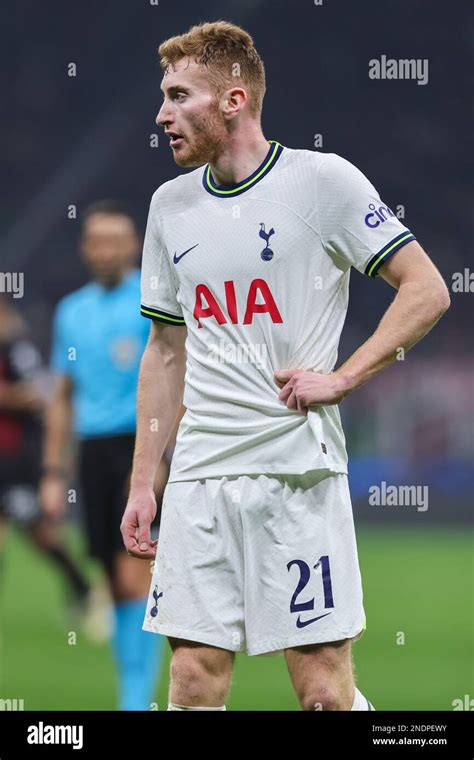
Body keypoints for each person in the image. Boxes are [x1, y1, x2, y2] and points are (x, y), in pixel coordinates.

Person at [121, 21, 450, 711]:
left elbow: (426, 288)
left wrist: (344, 377)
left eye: (179, 96)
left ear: (233, 100)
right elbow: (166, 351)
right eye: (163, 97)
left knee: (323, 691)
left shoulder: (322, 182)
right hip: (202, 477)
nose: (161, 115)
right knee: (191, 682)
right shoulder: (169, 207)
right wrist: (145, 481)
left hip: (295, 473)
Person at [40, 200, 168, 710]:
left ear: (133, 245)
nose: (106, 249)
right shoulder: (71, 311)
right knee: (114, 580)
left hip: (141, 446)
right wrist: (54, 471)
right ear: (85, 247)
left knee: (135, 567)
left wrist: (159, 458)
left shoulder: (150, 297)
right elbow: (63, 399)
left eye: (116, 240)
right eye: (97, 240)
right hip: (94, 451)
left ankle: (135, 702)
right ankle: (131, 692)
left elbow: (174, 373)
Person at [0, 295, 93, 621]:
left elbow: (42, 393)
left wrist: (8, 396)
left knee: (40, 535)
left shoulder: (16, 349)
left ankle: (81, 585)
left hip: (17, 461)